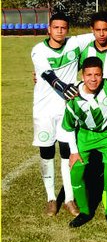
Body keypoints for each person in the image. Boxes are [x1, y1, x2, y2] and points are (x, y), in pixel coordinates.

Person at [32, 12, 84, 218]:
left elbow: (102, 34)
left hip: (66, 110)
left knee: (66, 152)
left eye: (63, 28)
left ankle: (69, 198)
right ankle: (51, 198)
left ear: (68, 29)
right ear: (49, 29)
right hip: (43, 110)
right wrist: (64, 87)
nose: (60, 31)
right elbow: (47, 74)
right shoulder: (38, 50)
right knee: (46, 152)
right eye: (56, 27)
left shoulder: (75, 43)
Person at [62, 56, 107, 228]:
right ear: (82, 76)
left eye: (97, 75)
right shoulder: (73, 98)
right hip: (85, 136)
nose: (93, 79)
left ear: (103, 75)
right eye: (89, 75)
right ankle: (85, 212)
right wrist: (74, 152)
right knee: (76, 172)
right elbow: (69, 127)